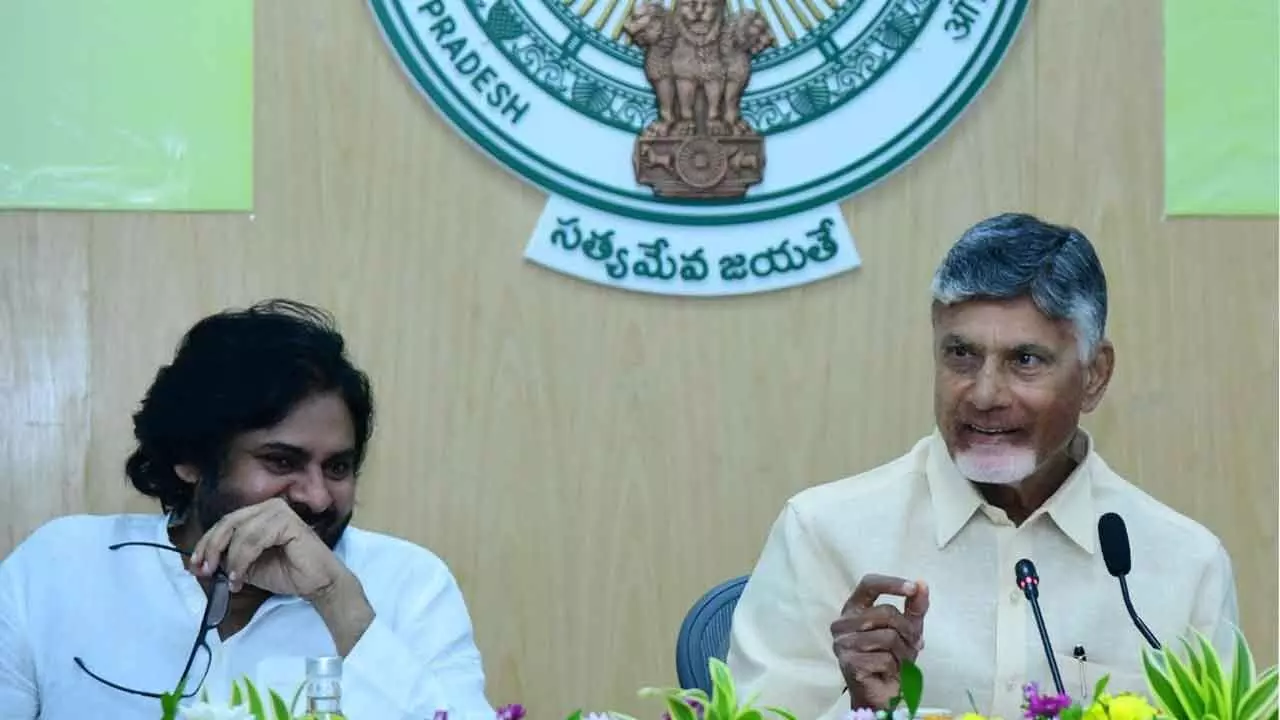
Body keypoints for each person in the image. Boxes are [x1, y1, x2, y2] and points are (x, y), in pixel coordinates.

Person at [725, 214, 1240, 720]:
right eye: (961, 355)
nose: (986, 394)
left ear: (1095, 376)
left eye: (1026, 361)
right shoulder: (823, 534)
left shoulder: (1185, 566)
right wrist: (859, 709)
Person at [0, 300, 495, 719]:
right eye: (282, 460)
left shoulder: (409, 584)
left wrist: (336, 599)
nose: (317, 497)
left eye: (338, 467)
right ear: (190, 458)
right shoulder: (61, 568)